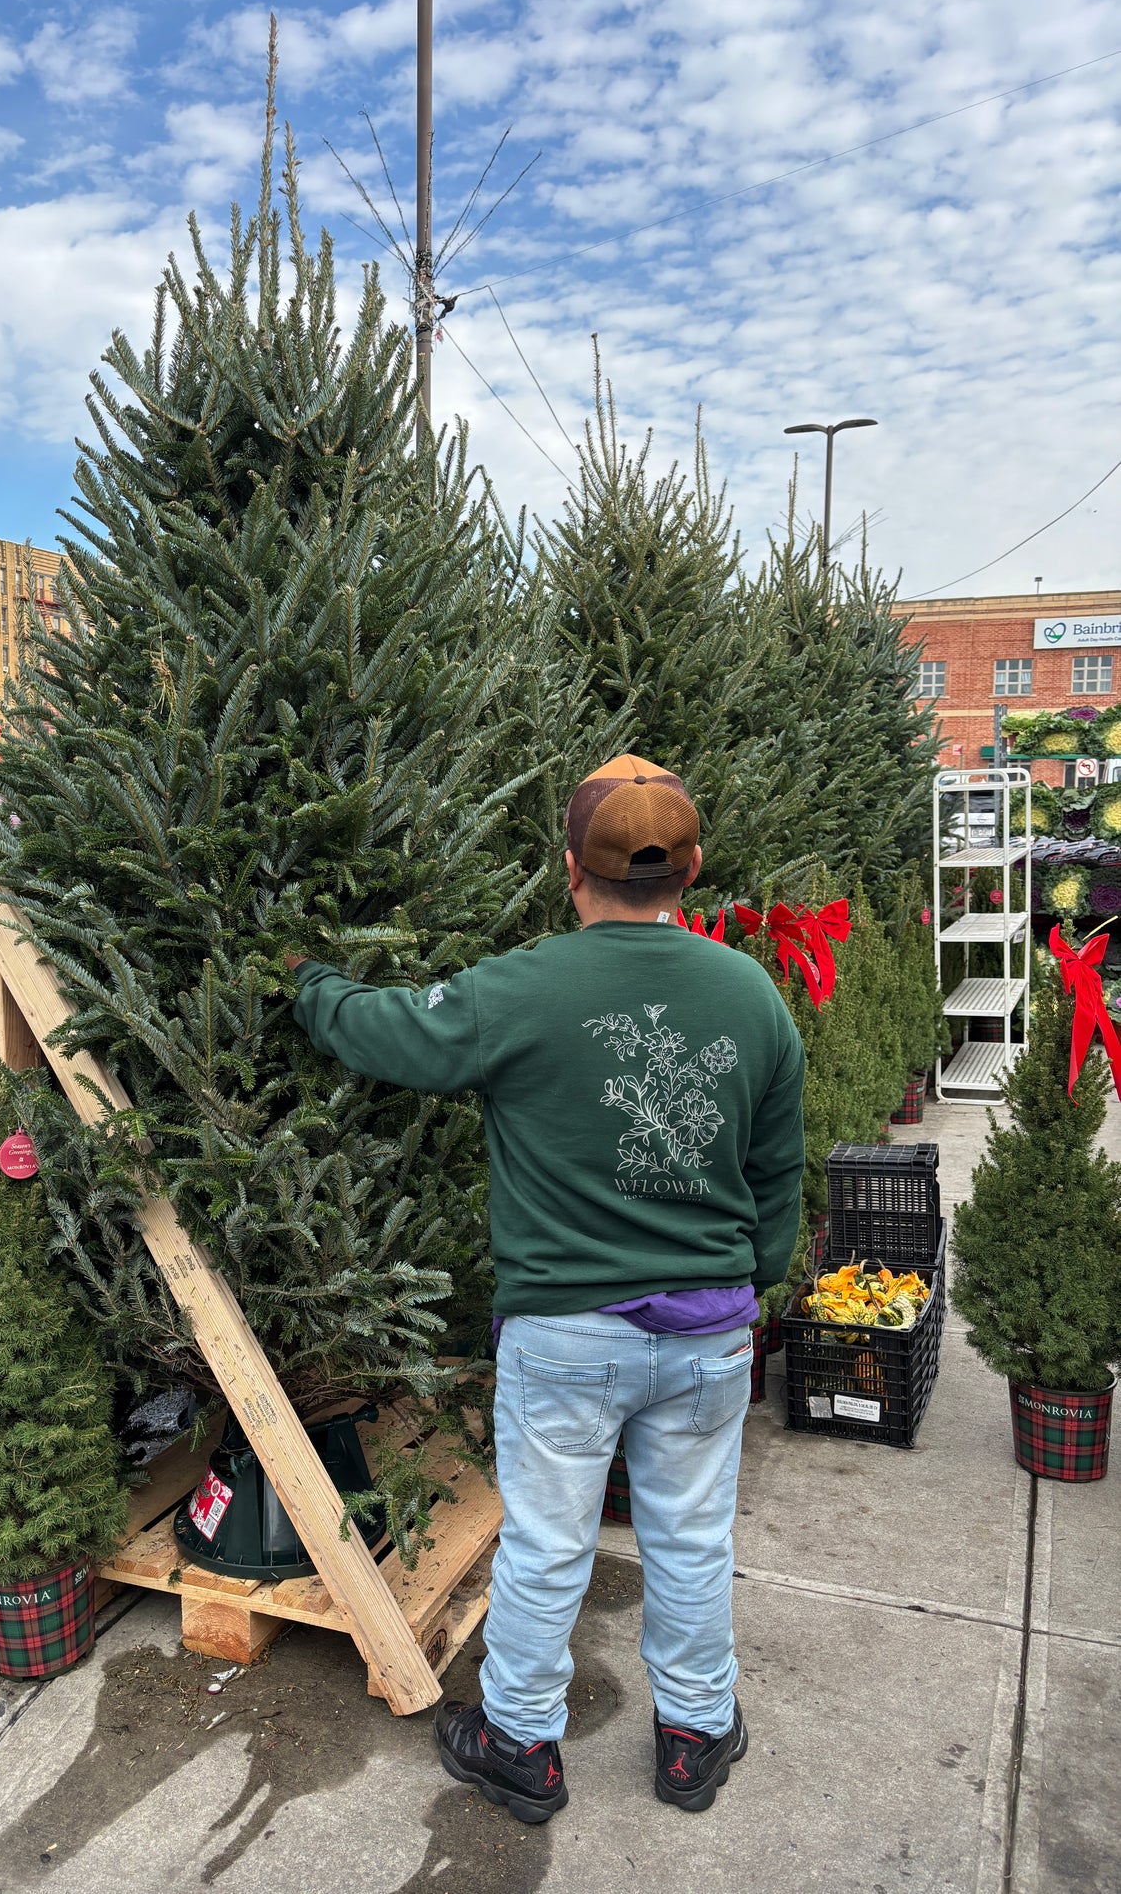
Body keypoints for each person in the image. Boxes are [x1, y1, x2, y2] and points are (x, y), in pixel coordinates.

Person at [285, 754, 806, 1824]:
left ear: (569, 869)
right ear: (691, 869)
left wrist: (304, 980)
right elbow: (773, 1174)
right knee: (692, 1537)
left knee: (548, 1542)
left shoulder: (521, 987)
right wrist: (742, 1286)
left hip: (566, 1338)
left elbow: (384, 1029)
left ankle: (519, 1743)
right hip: (707, 1335)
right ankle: (694, 1737)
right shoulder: (750, 994)